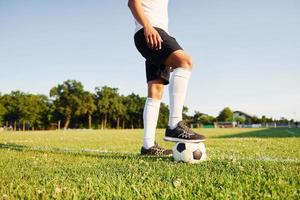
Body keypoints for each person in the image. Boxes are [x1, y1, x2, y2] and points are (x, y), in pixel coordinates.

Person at [128, 0, 206, 156]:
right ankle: (175, 124)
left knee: (155, 89)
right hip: (151, 31)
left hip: (155, 33)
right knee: (184, 62)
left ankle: (148, 146)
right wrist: (147, 27)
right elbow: (133, 2)